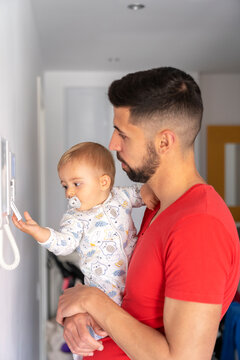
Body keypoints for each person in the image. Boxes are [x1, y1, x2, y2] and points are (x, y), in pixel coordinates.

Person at [56, 67, 240, 360]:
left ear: (164, 142)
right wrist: (83, 319)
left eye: (123, 134)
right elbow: (132, 309)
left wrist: (92, 301)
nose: (112, 144)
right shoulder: (159, 206)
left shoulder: (199, 226)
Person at [12, 142, 157, 348]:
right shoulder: (75, 218)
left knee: (134, 322)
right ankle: (84, 348)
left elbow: (142, 193)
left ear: (103, 182)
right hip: (103, 288)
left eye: (76, 184)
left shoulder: (121, 196)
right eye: (65, 185)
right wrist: (39, 232)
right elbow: (64, 244)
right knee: (100, 329)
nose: (69, 193)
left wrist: (148, 193)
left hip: (135, 274)